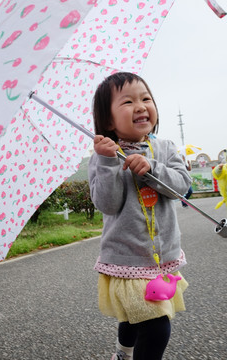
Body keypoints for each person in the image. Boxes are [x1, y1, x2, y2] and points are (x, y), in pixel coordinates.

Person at [88, 72, 192, 360]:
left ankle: (122, 351)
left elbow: (181, 188)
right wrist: (110, 162)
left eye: (146, 98)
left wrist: (152, 168)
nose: (141, 106)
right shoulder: (103, 155)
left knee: (136, 316)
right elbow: (108, 204)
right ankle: (125, 351)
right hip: (126, 257)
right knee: (155, 326)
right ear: (108, 121)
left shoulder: (166, 148)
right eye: (128, 101)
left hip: (162, 256)